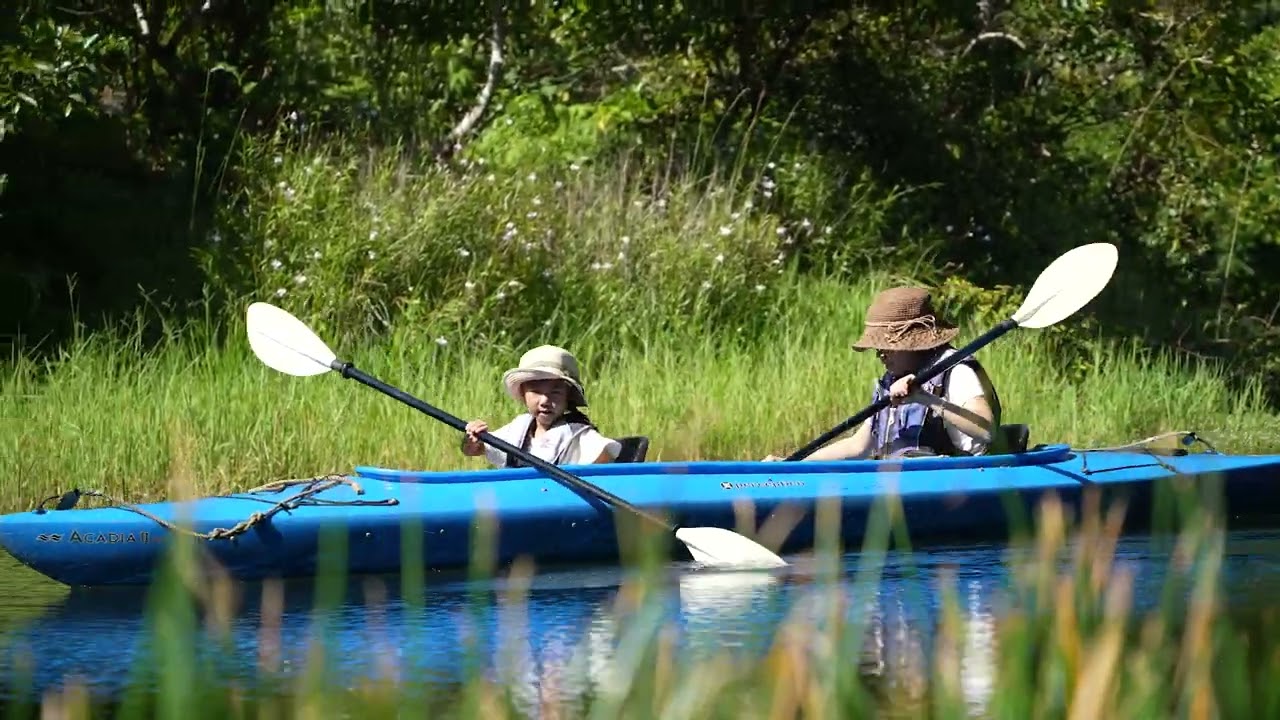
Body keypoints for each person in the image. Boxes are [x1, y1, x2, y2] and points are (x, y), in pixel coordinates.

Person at [765, 286, 1002, 461]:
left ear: (913, 342)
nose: (879, 353)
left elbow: (986, 430)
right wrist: (794, 465)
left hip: (957, 479)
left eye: (885, 346)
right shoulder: (893, 378)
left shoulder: (956, 371)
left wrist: (926, 398)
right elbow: (858, 446)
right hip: (902, 482)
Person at [462, 344, 622, 467]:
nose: (545, 401)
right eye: (536, 392)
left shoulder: (577, 434)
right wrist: (473, 440)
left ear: (568, 396)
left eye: (555, 393)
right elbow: (475, 450)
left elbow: (606, 458)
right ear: (524, 395)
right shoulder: (518, 429)